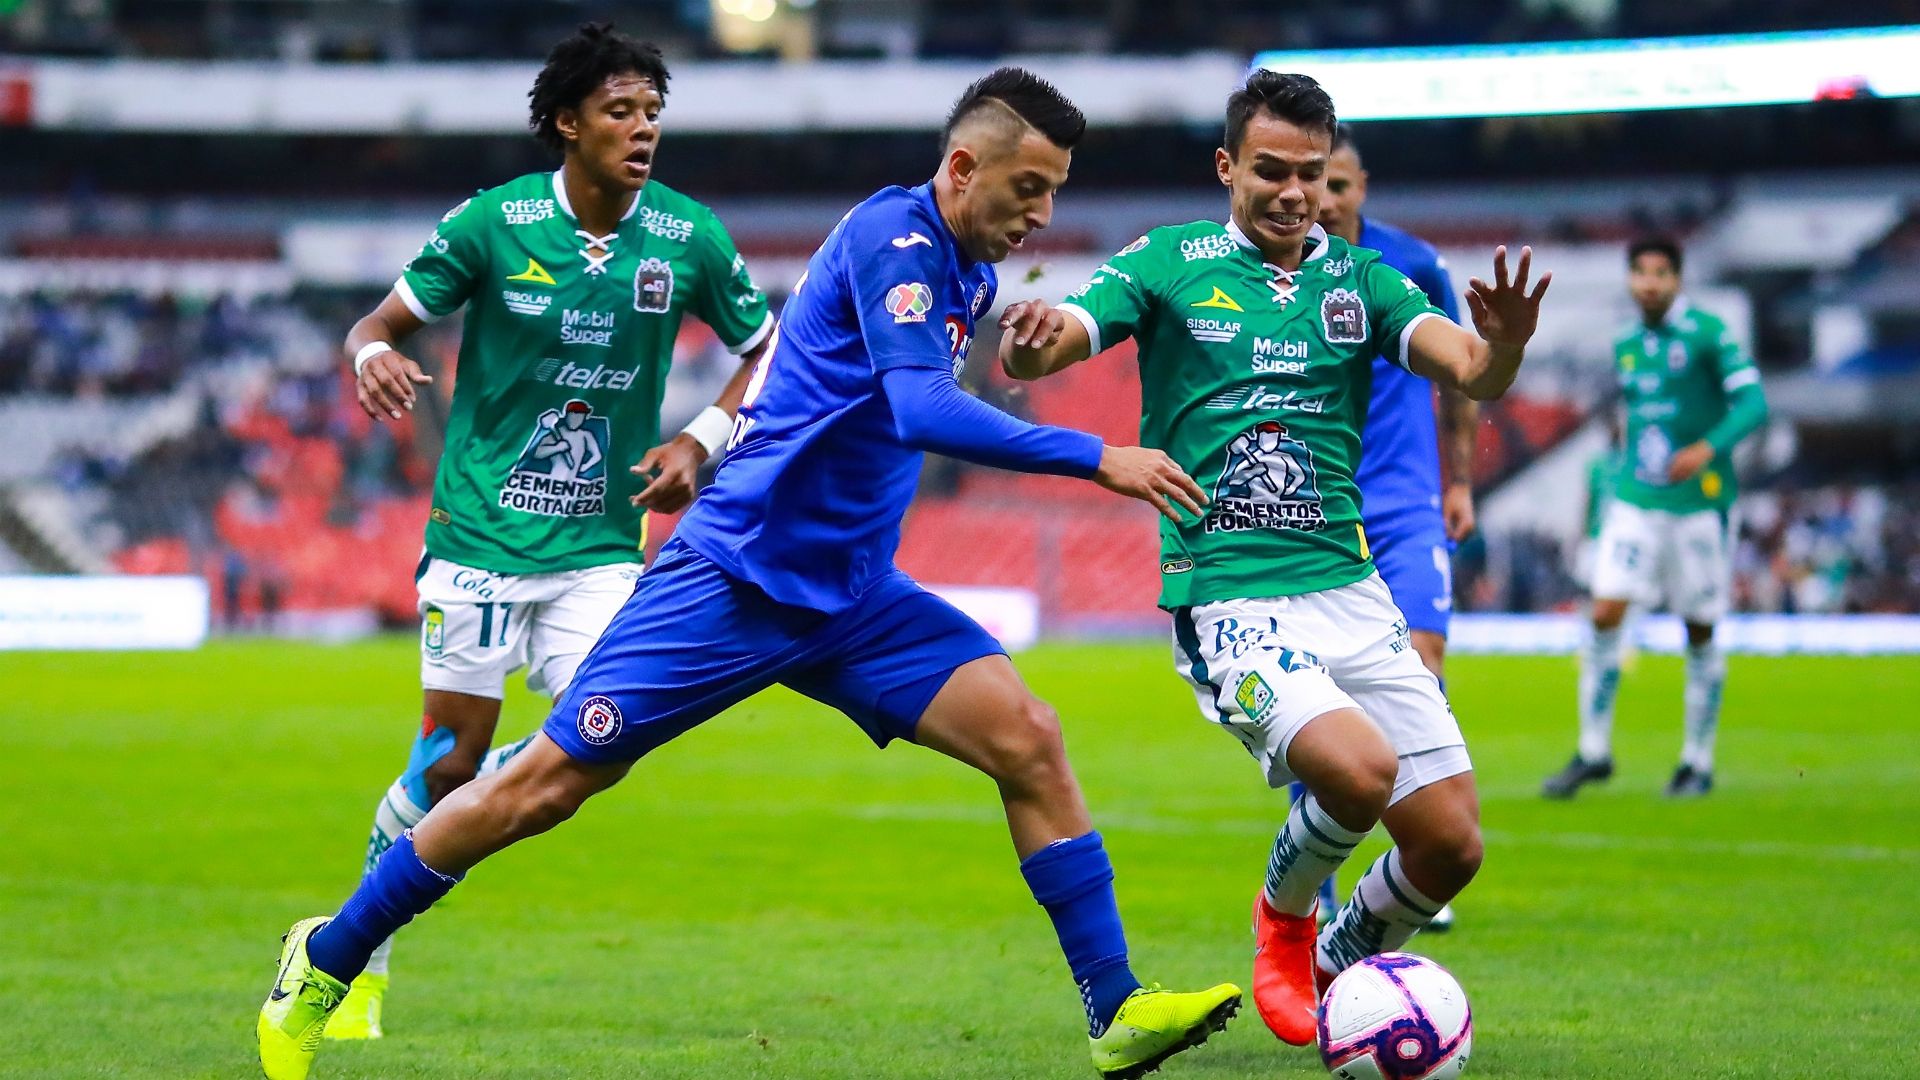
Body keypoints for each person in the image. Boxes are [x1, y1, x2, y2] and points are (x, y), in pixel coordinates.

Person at [259, 67, 1240, 1080]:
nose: (1042, 215)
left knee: (1028, 737)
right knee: (542, 788)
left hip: (853, 595)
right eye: (1028, 188)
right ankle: (324, 959)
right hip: (737, 575)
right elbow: (919, 410)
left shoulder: (968, 276)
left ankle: (1115, 1008)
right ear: (962, 167)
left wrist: (1030, 349)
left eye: (1054, 193)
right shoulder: (895, 238)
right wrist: (1099, 456)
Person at [997, 71, 1549, 1049]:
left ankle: (1344, 955)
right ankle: (1285, 921)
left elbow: (1470, 368)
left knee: (1451, 846)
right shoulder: (1169, 261)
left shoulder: (1364, 281)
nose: (1294, 193)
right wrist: (1035, 345)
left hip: (1349, 586)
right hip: (1231, 598)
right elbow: (1058, 343)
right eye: (1271, 171)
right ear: (1228, 167)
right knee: (1359, 773)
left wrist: (1502, 348)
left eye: (1311, 173)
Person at [323, 23, 774, 1039]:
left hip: (599, 548)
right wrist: (370, 358)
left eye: (653, 111)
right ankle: (357, 954)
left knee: (606, 735)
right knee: (449, 765)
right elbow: (376, 324)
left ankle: (484, 800)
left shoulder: (689, 237)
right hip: (479, 540)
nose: (643, 128)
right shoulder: (494, 223)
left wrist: (701, 439)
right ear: (568, 123)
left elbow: (769, 351)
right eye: (620, 111)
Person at [1298, 122, 1478, 933]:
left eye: (1339, 185)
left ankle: (1414, 859)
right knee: (1321, 699)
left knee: (1423, 660)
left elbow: (1459, 368)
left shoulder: (1412, 264)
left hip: (1405, 504)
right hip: (1320, 510)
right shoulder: (1279, 274)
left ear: (1360, 188)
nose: (1326, 200)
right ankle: (1320, 879)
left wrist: (1460, 479)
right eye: (1316, 184)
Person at [1542, 237, 1767, 800]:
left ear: (1678, 279)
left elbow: (1754, 405)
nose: (1649, 283)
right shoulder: (1626, 344)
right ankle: (1593, 750)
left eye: (1660, 273)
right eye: (1640, 272)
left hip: (1698, 506)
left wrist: (1707, 448)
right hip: (1635, 501)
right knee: (1605, 610)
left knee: (1700, 627)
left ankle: (1697, 761)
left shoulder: (1708, 334)